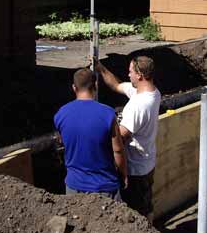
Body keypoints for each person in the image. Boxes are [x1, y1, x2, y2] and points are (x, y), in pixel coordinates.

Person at [95, 56, 161, 222]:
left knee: (138, 215)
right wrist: (100, 68)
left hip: (135, 170)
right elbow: (116, 85)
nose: (128, 74)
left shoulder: (138, 105)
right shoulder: (152, 92)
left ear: (139, 75)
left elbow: (121, 137)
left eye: (130, 71)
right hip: (147, 163)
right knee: (146, 205)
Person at [54, 68, 127, 199]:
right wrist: (123, 175)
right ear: (96, 85)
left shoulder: (61, 114)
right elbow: (118, 151)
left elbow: (63, 142)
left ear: (74, 88)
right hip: (105, 186)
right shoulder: (107, 114)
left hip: (73, 186)